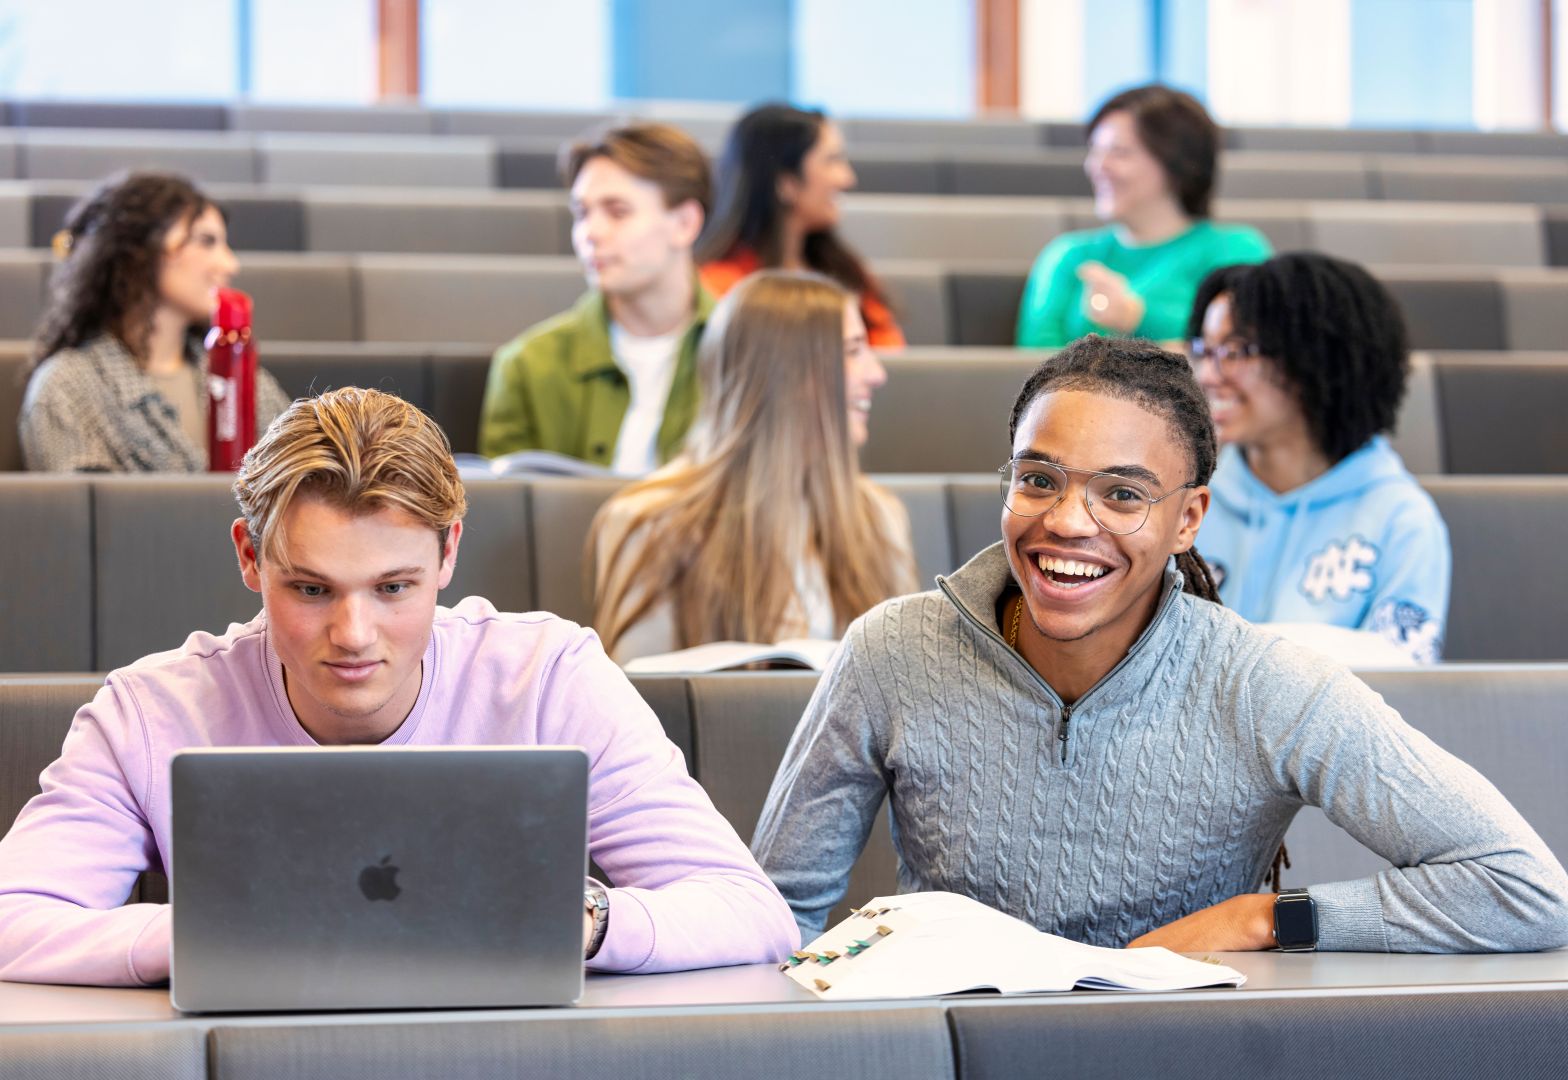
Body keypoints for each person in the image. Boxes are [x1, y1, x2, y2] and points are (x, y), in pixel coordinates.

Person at [752, 336, 1568, 954]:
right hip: (955, 1046)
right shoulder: (890, 651)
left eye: (1123, 494)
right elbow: (774, 916)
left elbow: (1524, 891)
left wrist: (1262, 918)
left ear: (1188, 519)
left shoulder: (1265, 684)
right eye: (1037, 478)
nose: (1067, 521)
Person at [0, 387, 799, 987]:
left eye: (394, 588)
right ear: (250, 557)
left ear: (448, 555)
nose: (353, 635)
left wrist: (578, 920)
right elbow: (11, 919)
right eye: (311, 590)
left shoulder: (550, 677)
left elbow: (751, 911)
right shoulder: (151, 712)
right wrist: (202, 933)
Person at [590, 271, 916, 664]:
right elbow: (636, 699)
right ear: (785, 374)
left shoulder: (877, 517)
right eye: (850, 352)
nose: (876, 374)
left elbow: (904, 682)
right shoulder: (651, 524)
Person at [1187, 253, 1451, 665]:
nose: (1207, 374)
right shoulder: (1186, 496)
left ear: (1313, 359)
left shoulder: (1401, 519)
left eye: (1235, 351)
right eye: (1206, 349)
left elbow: (1405, 680)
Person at [479, 123, 715, 472]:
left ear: (684, 223)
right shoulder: (527, 366)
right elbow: (506, 515)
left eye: (618, 212)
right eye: (582, 213)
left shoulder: (750, 356)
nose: (590, 232)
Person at [20, 171, 290, 472]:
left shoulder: (239, 372)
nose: (230, 264)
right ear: (140, 251)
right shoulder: (68, 387)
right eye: (206, 241)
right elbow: (85, 516)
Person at [1015, 85, 1271, 348]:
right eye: (1096, 150)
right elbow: (1035, 366)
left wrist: (1137, 317)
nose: (1097, 166)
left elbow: (1240, 351)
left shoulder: (1235, 250)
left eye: (1119, 152)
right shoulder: (1068, 256)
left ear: (1176, 163)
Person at [697, 104, 905, 348]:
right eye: (832, 161)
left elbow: (890, 361)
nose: (847, 178)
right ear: (786, 183)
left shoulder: (843, 270)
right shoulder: (722, 288)